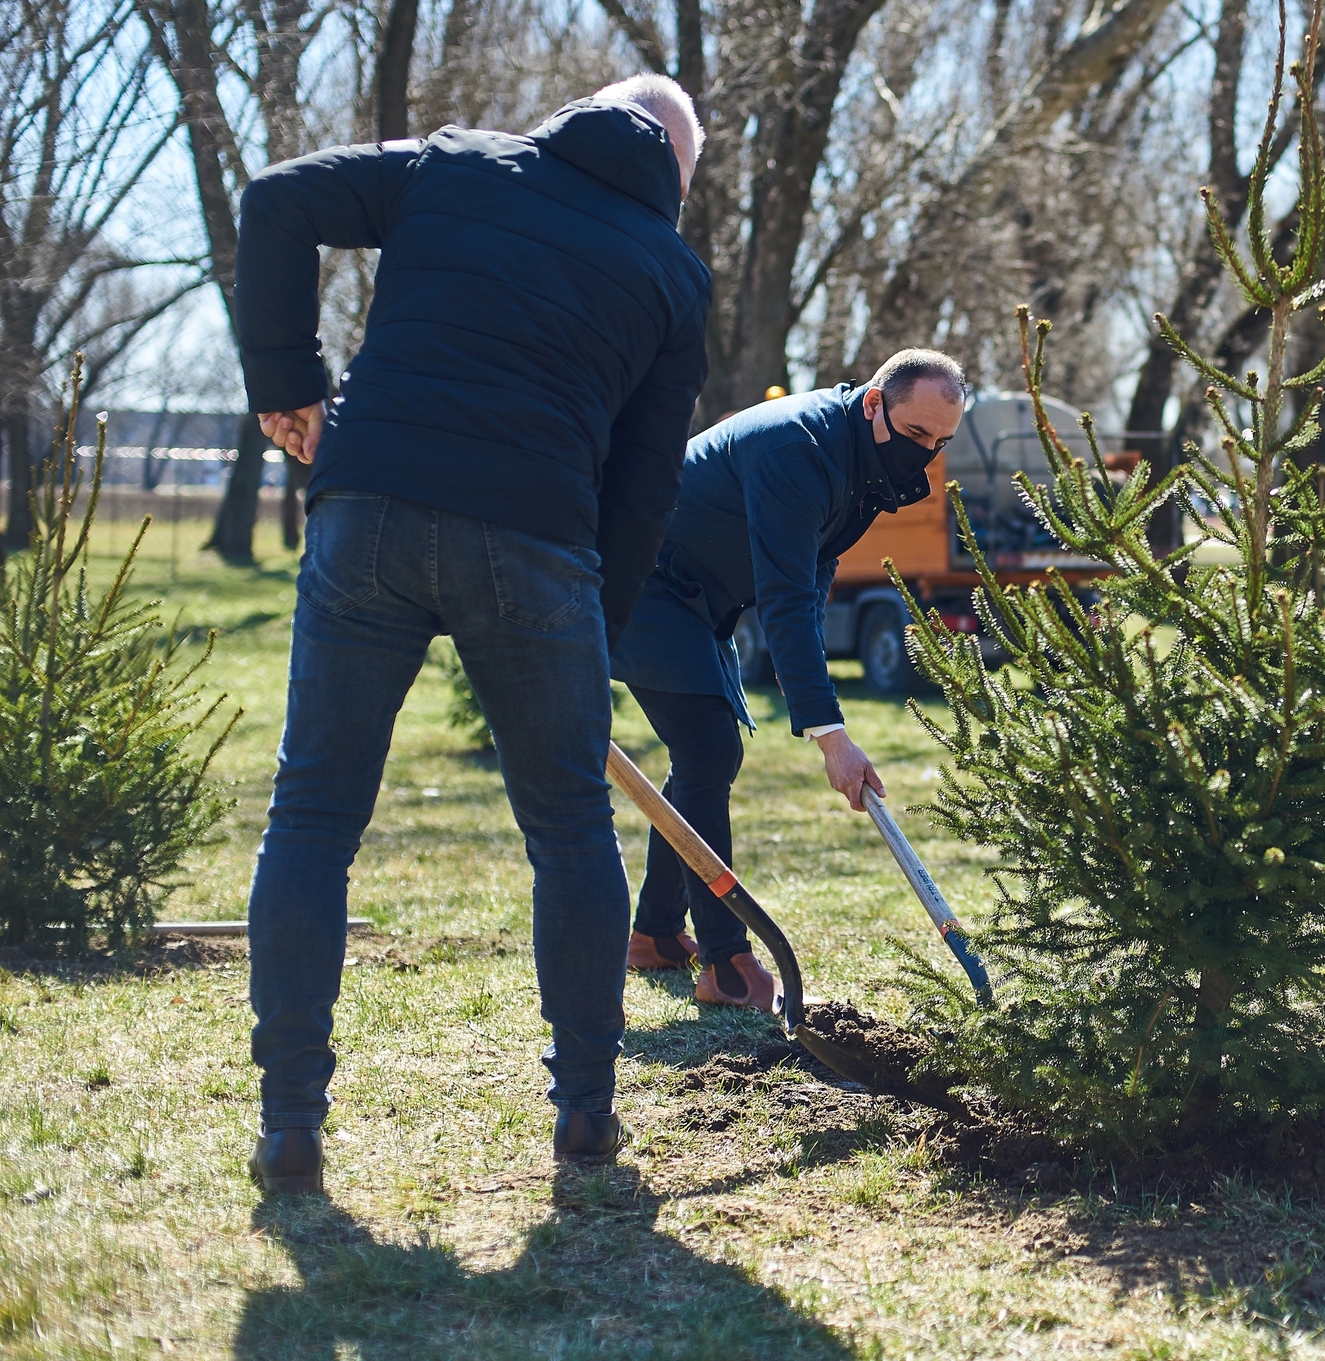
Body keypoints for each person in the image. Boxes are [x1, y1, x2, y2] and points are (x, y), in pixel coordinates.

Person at [237, 76, 713, 1194]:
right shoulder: (670, 273)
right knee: (568, 831)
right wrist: (598, 621)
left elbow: (275, 198)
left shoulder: (454, 163)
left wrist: (288, 384)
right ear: (676, 177)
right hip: (538, 545)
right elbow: (645, 487)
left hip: (371, 509)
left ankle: (290, 1122)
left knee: (312, 814)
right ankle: (587, 1111)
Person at [609, 350, 967, 1009]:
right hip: (642, 581)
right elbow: (785, 595)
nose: (926, 454)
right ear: (873, 403)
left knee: (701, 756)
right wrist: (832, 735)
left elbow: (814, 572)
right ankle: (725, 963)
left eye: (941, 443)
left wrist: (818, 707)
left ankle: (654, 934)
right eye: (917, 434)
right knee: (709, 749)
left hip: (699, 600)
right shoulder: (797, 448)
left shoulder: (865, 459)